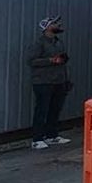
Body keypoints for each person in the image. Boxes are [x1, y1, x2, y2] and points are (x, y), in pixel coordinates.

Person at [28, 15, 72, 150]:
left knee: (55, 108)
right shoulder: (39, 43)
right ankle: (37, 139)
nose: (58, 25)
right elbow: (31, 61)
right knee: (42, 109)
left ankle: (52, 135)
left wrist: (66, 79)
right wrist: (50, 61)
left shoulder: (59, 42)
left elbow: (62, 62)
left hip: (59, 81)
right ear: (47, 27)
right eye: (55, 23)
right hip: (43, 81)